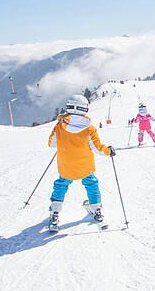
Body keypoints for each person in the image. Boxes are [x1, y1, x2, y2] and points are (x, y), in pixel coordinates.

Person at [47, 94, 115, 230]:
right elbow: (97, 148)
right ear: (85, 109)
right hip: (85, 167)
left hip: (66, 167)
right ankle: (97, 209)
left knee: (61, 184)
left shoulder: (60, 126)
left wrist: (60, 132)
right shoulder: (89, 128)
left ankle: (55, 212)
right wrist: (109, 151)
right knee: (91, 183)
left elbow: (52, 143)